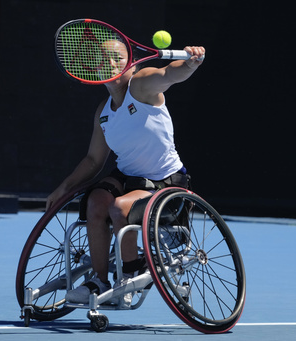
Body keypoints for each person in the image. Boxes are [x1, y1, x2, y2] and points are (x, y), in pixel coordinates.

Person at [45, 43, 205, 305]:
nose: (109, 63)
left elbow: (168, 75)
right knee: (95, 201)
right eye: (102, 59)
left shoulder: (141, 85)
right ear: (94, 69)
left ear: (132, 64)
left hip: (164, 182)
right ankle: (98, 280)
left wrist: (189, 64)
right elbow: (94, 159)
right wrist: (63, 188)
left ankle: (129, 274)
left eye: (116, 58)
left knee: (120, 209)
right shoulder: (103, 112)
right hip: (128, 177)